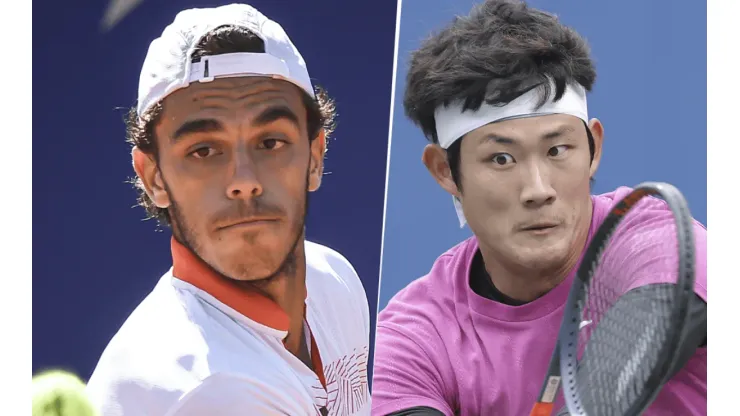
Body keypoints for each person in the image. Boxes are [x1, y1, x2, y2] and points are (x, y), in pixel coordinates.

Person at [370, 1, 707, 415]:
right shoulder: (411, 337)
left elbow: (610, 388)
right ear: (445, 171)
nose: (538, 189)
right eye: (501, 159)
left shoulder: (650, 236)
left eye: (557, 149)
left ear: (593, 148)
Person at [86, 4, 371, 415]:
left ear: (314, 156)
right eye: (204, 150)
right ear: (154, 178)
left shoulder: (335, 283)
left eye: (270, 142)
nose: (244, 179)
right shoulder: (200, 391)